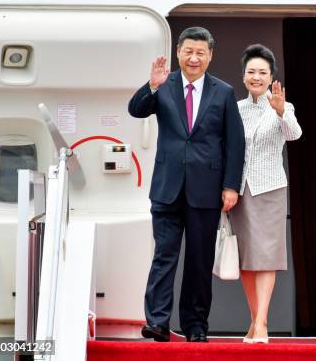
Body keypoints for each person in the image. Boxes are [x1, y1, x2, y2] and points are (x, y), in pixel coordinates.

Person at [128, 27, 245, 343]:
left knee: (199, 259)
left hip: (206, 190)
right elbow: (135, 109)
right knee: (164, 256)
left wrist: (231, 186)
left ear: (210, 56)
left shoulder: (223, 92)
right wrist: (151, 85)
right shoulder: (163, 86)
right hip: (167, 188)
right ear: (178, 52)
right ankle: (157, 322)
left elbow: (235, 144)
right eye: (188, 51)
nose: (194, 58)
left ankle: (195, 326)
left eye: (200, 52)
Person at [229, 44, 302, 344]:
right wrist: (227, 187)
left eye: (262, 72)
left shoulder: (283, 106)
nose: (256, 77)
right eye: (251, 72)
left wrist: (282, 111)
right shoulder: (234, 108)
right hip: (240, 192)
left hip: (270, 188)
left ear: (272, 76)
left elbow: (294, 133)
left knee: (266, 257)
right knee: (247, 259)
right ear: (244, 77)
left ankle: (261, 324)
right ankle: (255, 320)